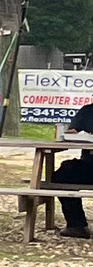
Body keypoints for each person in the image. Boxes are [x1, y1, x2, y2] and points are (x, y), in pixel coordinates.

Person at [54, 100, 93, 238]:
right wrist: (71, 134)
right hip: (89, 166)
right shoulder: (87, 111)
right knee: (62, 175)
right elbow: (73, 132)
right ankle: (77, 225)